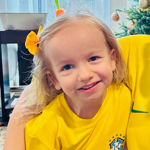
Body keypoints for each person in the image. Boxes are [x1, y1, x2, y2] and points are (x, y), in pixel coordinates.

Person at [4, 12, 131, 150]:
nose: (84, 75)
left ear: (112, 59)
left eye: (93, 58)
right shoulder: (45, 129)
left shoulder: (124, 96)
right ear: (54, 79)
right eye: (67, 67)